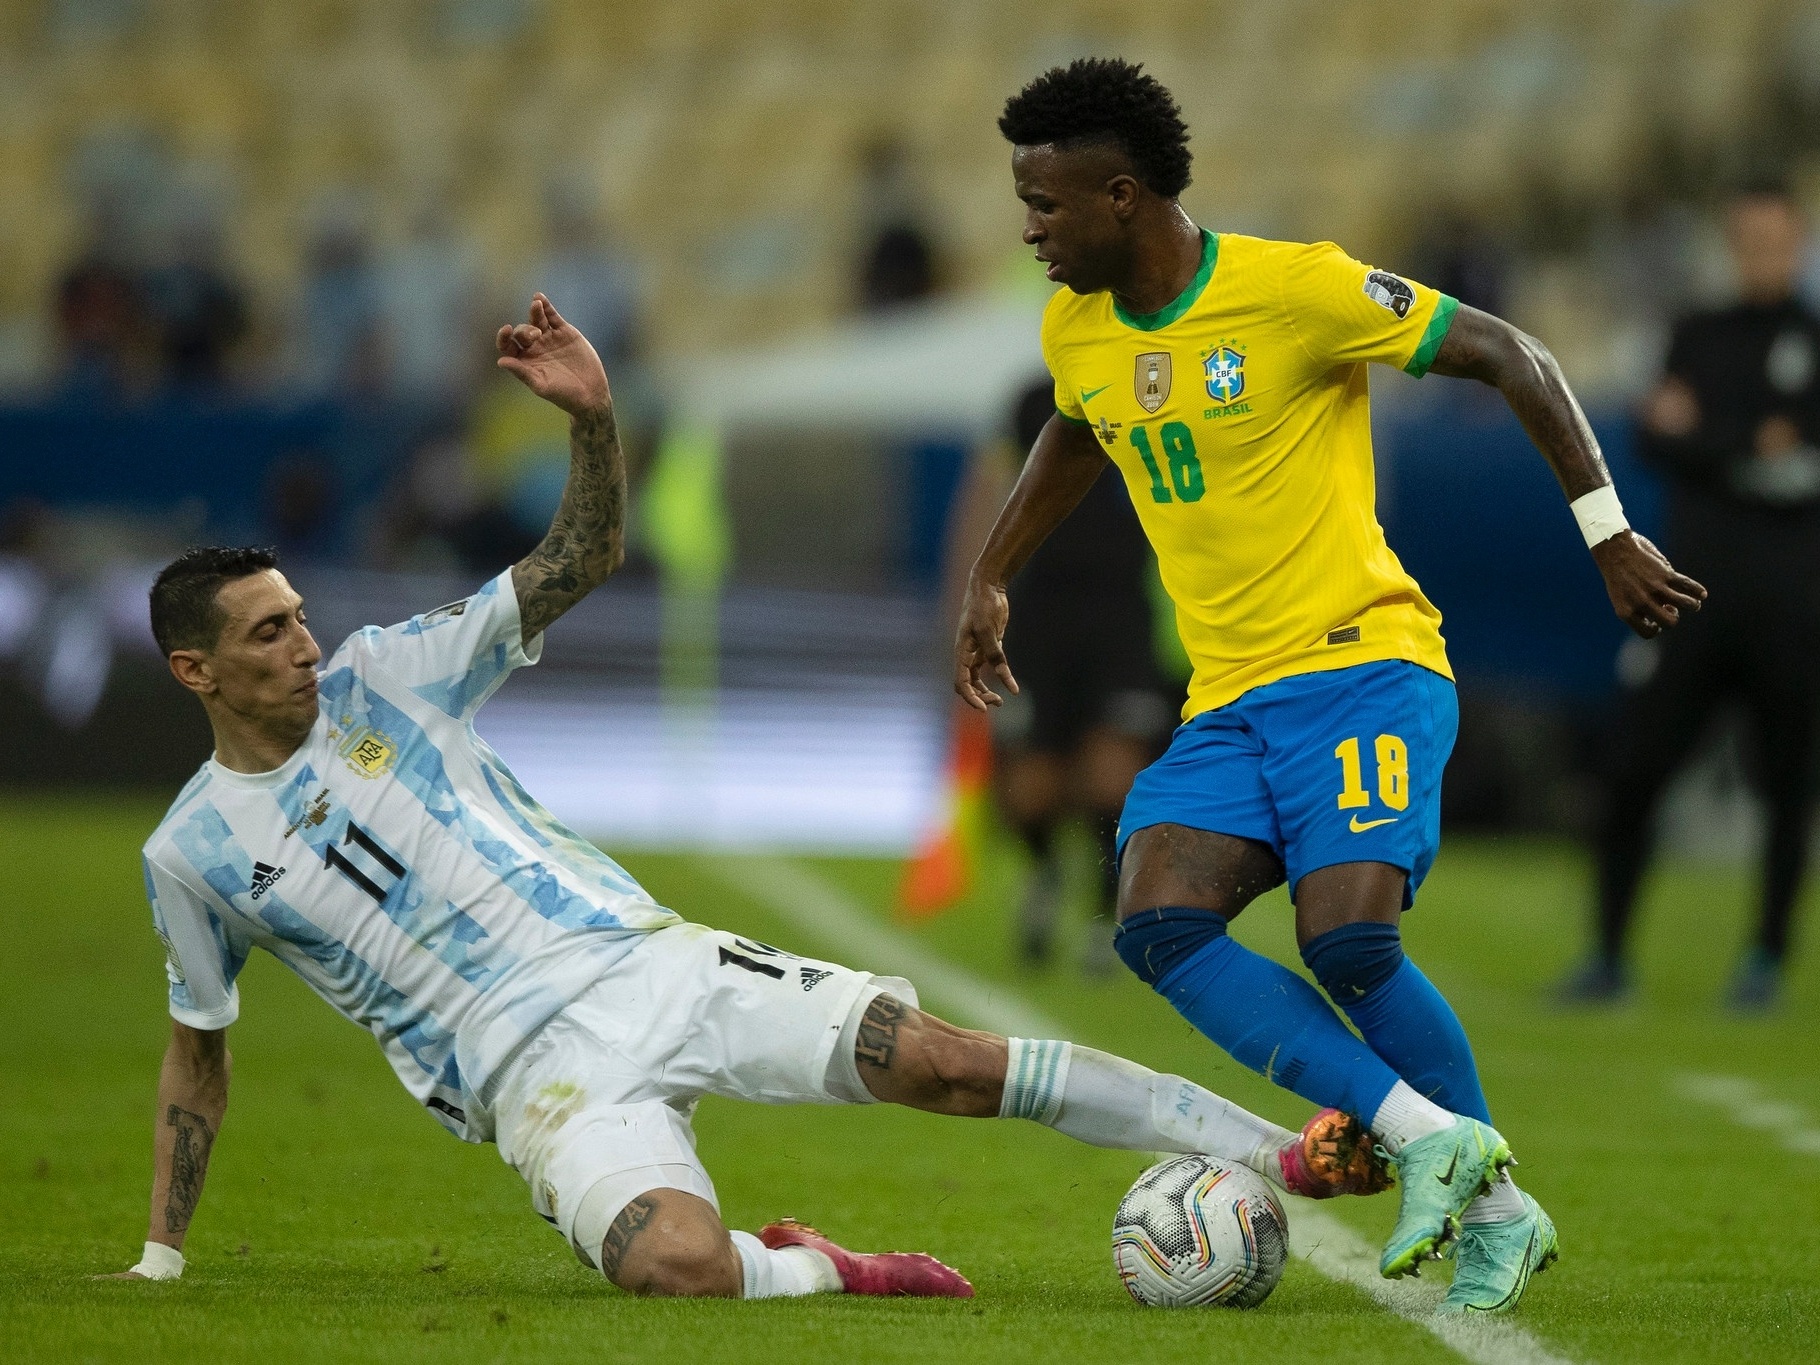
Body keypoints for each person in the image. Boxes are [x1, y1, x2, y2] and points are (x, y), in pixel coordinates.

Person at [108, 294, 1388, 1298]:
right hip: (530, 1082)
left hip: (641, 963)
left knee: (938, 1060)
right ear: (193, 669)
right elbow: (194, 1057)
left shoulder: (391, 675)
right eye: (269, 634)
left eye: (298, 616)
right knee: (676, 1268)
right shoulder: (196, 854)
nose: (304, 644)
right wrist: (163, 1255)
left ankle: (1273, 1151)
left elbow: (582, 555)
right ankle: (826, 1265)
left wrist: (593, 421)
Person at [954, 58, 1707, 1315]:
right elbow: (1077, 428)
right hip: (1230, 699)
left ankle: (1455, 1169)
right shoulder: (1076, 327)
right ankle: (1473, 1179)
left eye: (1044, 202)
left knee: (1346, 938)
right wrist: (991, 576)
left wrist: (1606, 531)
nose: (1026, 225)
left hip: (1365, 663)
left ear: (1123, 196)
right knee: (1153, 917)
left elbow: (1510, 352)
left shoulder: (1292, 286)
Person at [1564, 183, 1820, 1012]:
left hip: (1790, 608)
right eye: (1747, 239)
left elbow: (1729, 446)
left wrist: (1704, 436)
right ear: (1730, 241)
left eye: (1774, 240)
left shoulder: (1811, 339)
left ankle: (1766, 961)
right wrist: (1756, 443)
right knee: (1635, 771)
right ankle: (1606, 954)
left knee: (1789, 786)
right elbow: (1649, 435)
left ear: (1796, 242)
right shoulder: (1696, 332)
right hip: (1687, 601)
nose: (1760, 255)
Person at [987, 377, 1179, 969]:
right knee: (1030, 793)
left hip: (1120, 615)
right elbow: (987, 494)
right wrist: (973, 598)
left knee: (1111, 780)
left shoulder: (1152, 379)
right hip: (1037, 619)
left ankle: (1103, 913)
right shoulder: (1025, 402)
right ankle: (1044, 873)